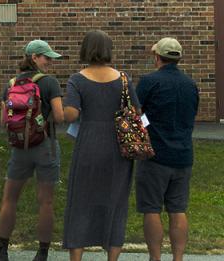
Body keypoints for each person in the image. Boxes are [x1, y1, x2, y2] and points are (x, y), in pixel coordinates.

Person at [0, 40, 65, 261]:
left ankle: (0, 250)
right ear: (34, 57)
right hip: (45, 146)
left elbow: (1, 121)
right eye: (47, 58)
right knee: (45, 201)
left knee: (9, 199)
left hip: (19, 148)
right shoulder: (50, 83)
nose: (50, 62)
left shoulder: (11, 83)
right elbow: (61, 117)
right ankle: (42, 253)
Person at [61, 30, 133, 261]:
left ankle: (77, 257)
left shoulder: (77, 79)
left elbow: (70, 115)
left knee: (80, 201)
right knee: (116, 201)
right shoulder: (124, 79)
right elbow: (137, 112)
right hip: (118, 147)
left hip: (89, 143)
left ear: (85, 50)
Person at [135, 37, 199, 261]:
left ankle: (155, 258)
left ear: (157, 57)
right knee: (178, 209)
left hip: (155, 156)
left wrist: (146, 124)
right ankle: (178, 258)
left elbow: (135, 114)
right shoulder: (191, 85)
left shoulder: (149, 81)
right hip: (183, 155)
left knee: (152, 209)